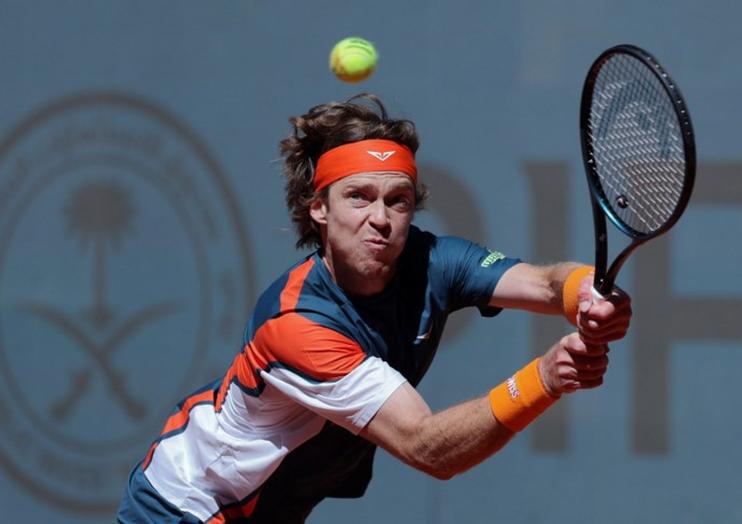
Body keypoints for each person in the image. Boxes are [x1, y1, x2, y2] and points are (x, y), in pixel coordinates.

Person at [117, 94, 632, 523]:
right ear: (318, 209)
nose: (380, 219)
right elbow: (428, 447)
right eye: (358, 197)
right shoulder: (298, 325)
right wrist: (545, 376)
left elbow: (545, 283)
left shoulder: (435, 260)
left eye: (398, 200)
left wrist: (586, 292)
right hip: (182, 506)